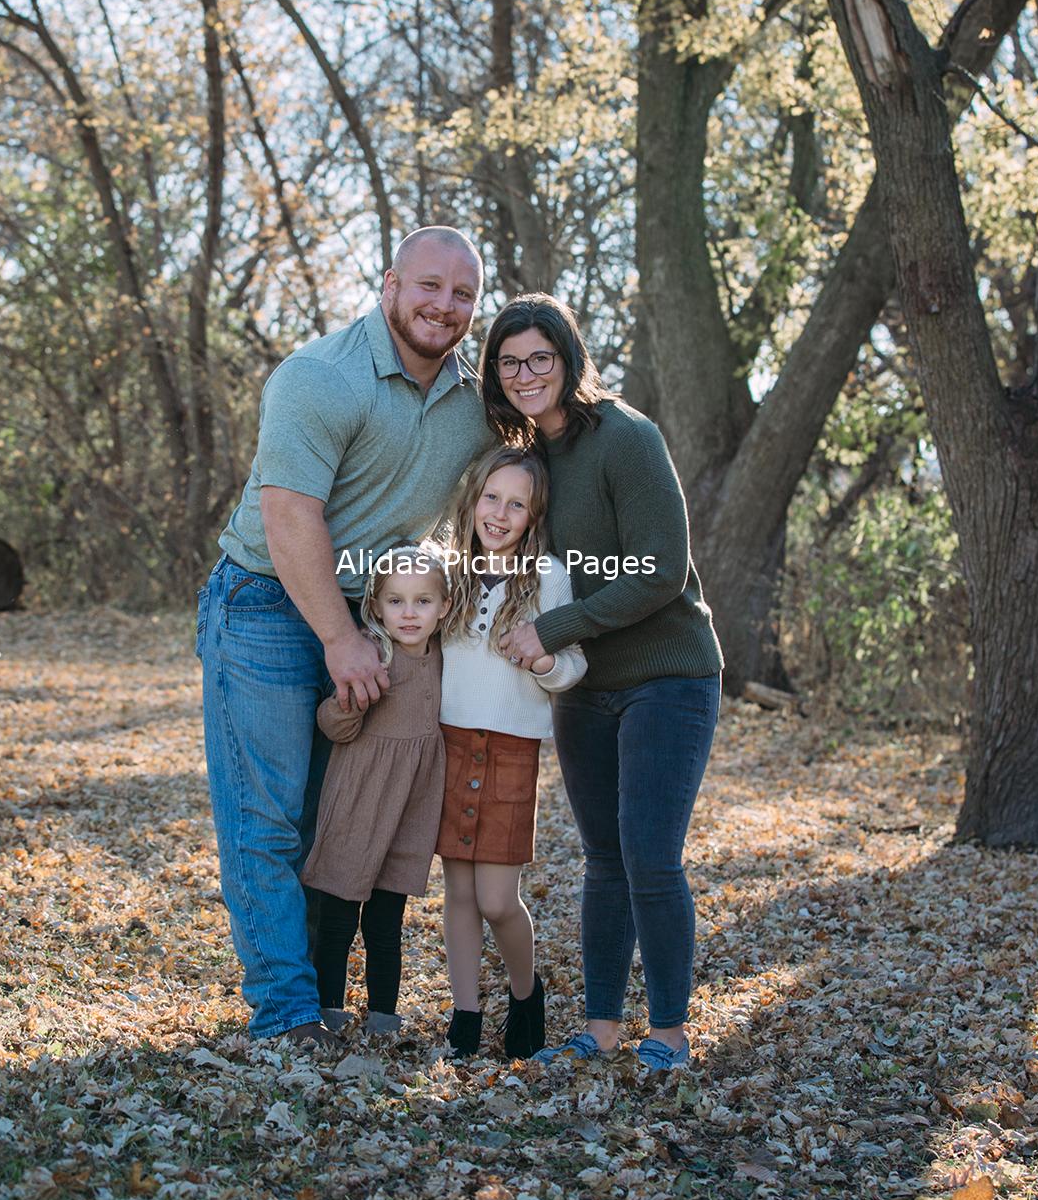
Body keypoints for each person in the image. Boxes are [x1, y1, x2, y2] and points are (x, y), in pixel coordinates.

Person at [196, 227, 490, 1043]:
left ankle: (316, 994)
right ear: (389, 284)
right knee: (267, 819)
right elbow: (289, 515)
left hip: (370, 614)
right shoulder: (320, 376)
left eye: (463, 293)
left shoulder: (475, 402)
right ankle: (287, 1014)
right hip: (264, 603)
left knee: (328, 822)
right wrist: (339, 639)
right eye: (429, 285)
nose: (444, 305)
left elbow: (529, 473)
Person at [479, 293, 723, 1072]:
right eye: (509, 363)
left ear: (568, 359)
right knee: (604, 859)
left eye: (539, 358)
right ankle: (602, 1029)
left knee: (649, 854)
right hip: (583, 686)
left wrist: (554, 629)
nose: (525, 374)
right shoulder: (527, 460)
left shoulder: (626, 437)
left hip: (667, 676)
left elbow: (659, 570)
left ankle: (671, 1036)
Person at [436, 446, 587, 1060]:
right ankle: (466, 1015)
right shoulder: (447, 571)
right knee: (459, 893)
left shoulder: (549, 576)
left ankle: (526, 993)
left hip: (510, 749)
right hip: (449, 744)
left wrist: (544, 660)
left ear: (534, 515)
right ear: (472, 500)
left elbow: (573, 665)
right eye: (491, 498)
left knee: (497, 900)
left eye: (516, 504)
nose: (499, 514)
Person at [301, 548, 450, 1035]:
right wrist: (352, 701)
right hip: (359, 800)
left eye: (423, 600)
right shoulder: (373, 654)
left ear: (444, 607)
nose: (409, 613)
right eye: (396, 601)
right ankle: (329, 1010)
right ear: (376, 607)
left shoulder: (447, 658)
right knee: (339, 916)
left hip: (410, 808)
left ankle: (384, 1016)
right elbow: (333, 726)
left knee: (386, 921)